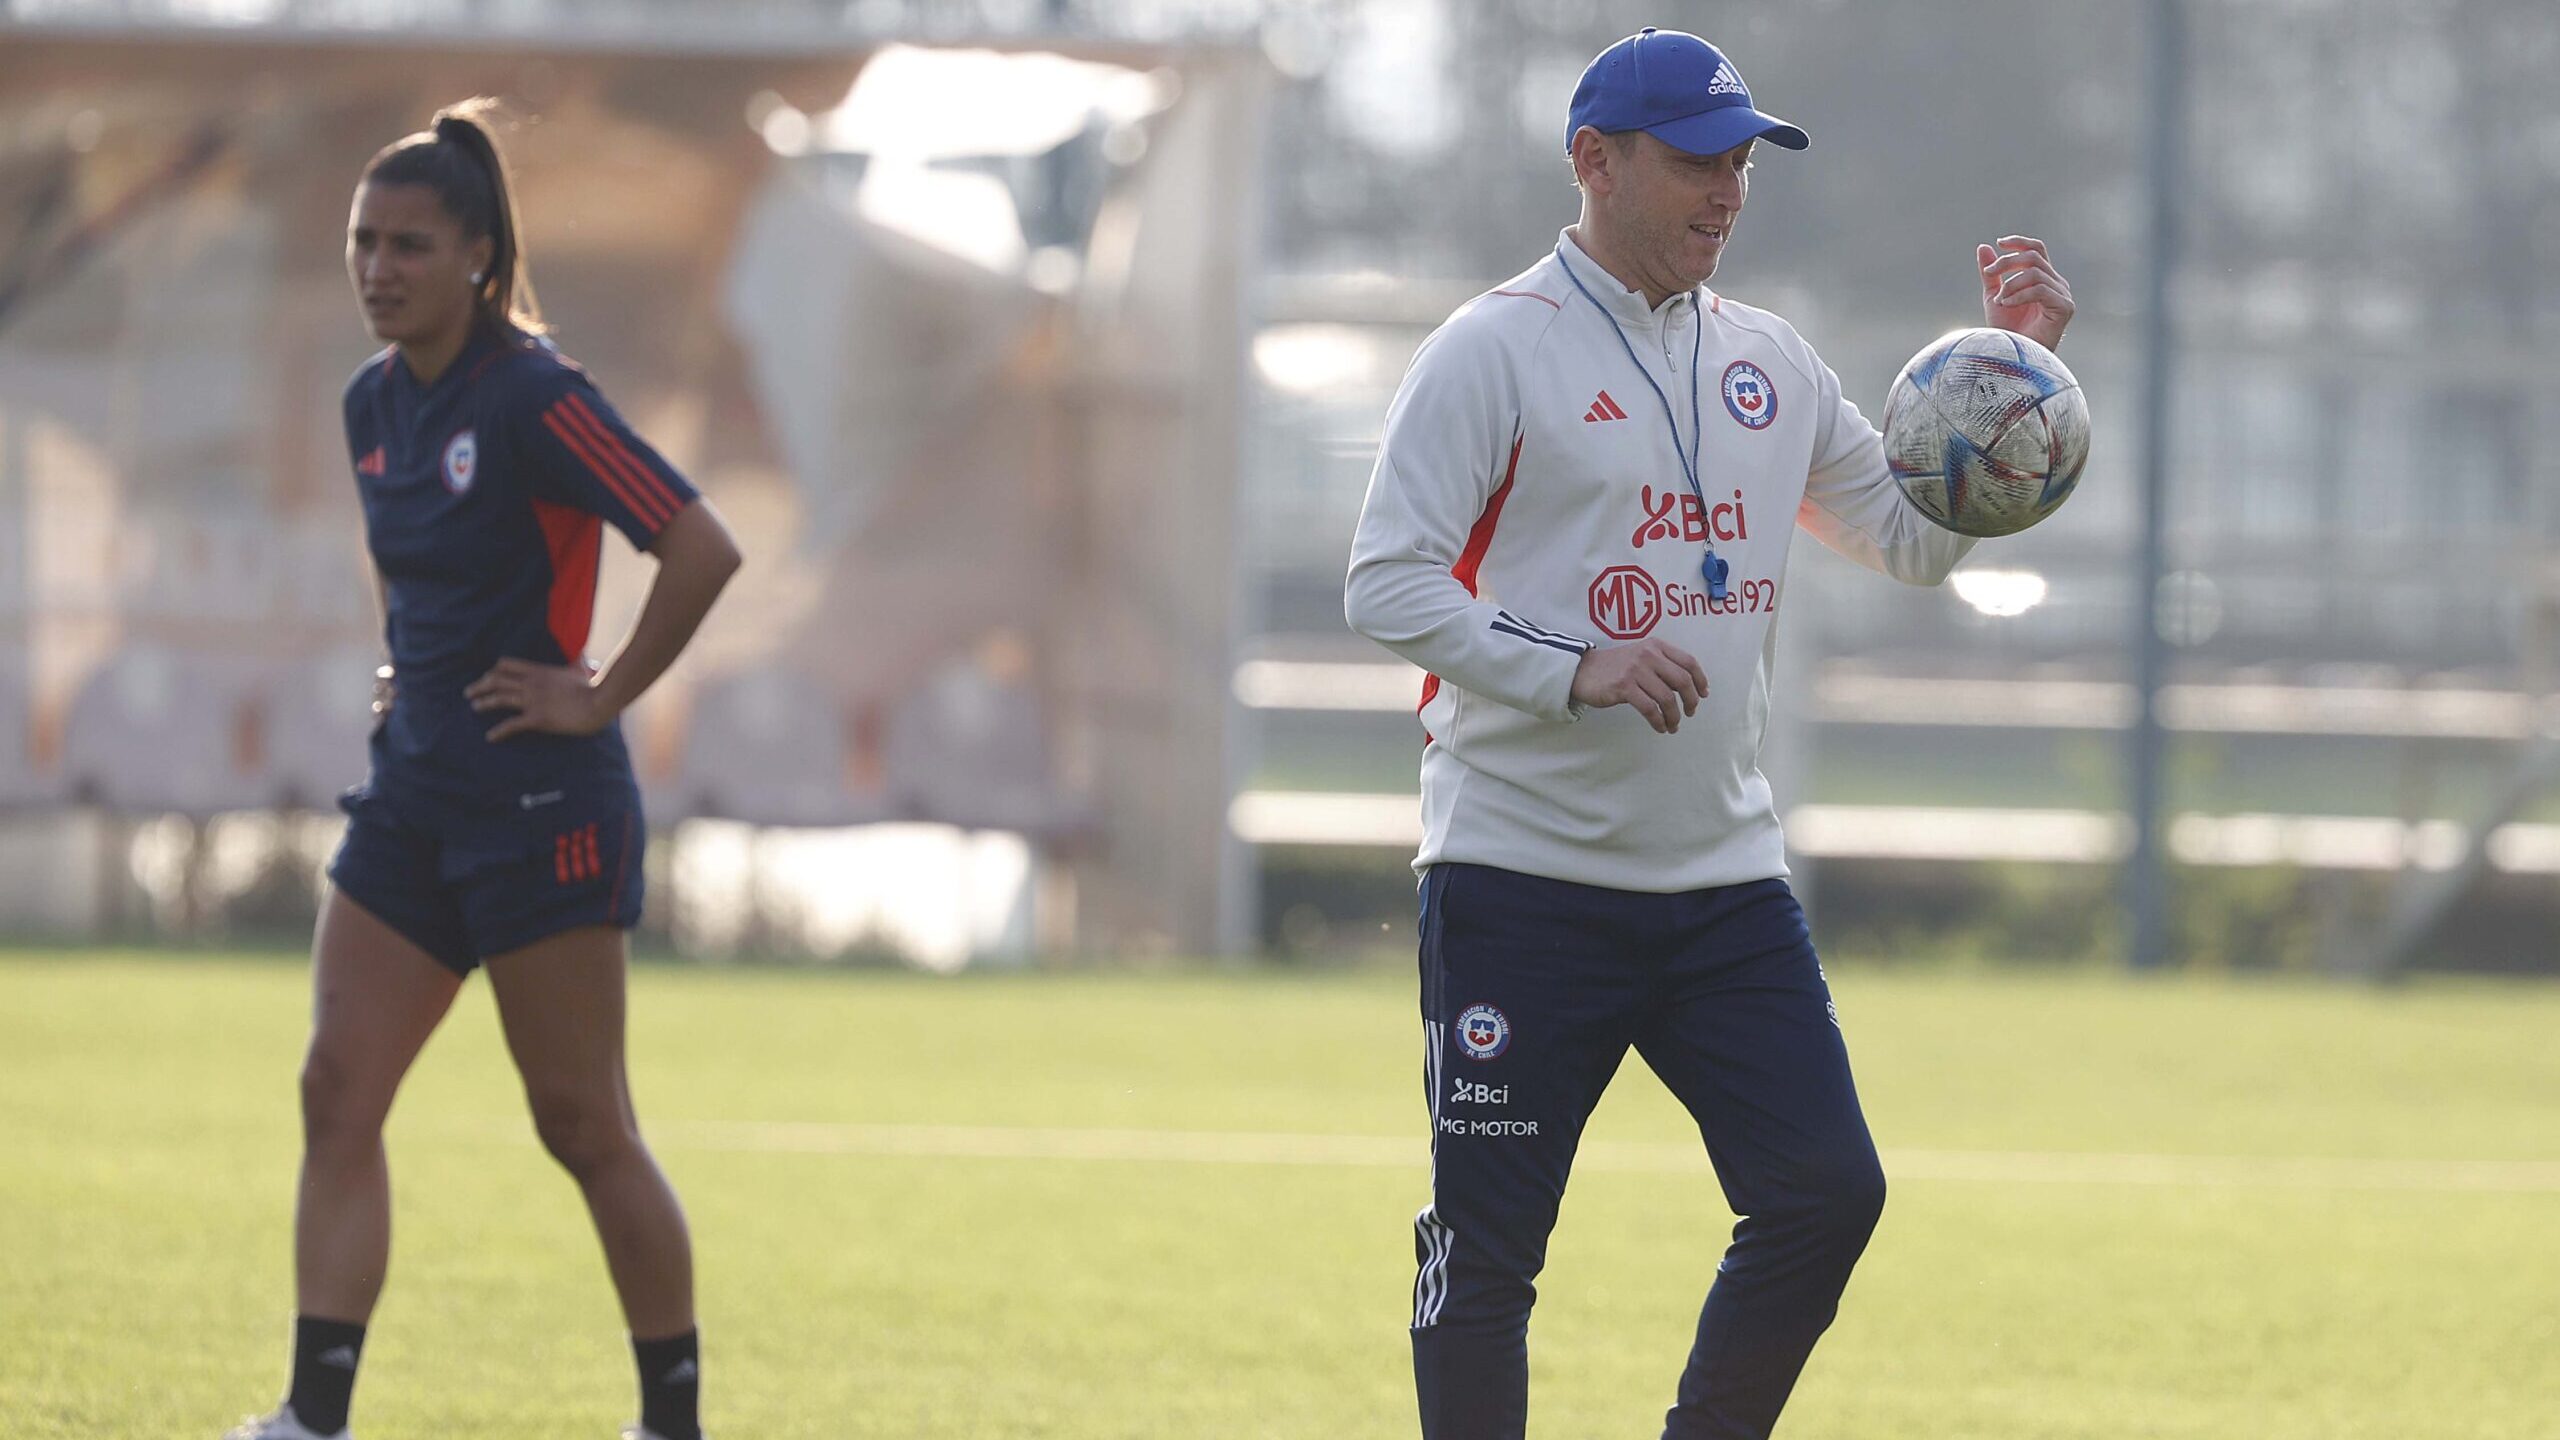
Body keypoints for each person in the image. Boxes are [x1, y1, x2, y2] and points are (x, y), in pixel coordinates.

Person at [1343, 29, 2074, 1440]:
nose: (1728, 188)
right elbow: (1387, 580)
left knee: (1825, 1195)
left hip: (1718, 890)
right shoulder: (1496, 347)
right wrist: (1574, 668)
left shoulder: (1773, 363)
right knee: (1489, 1253)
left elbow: (1914, 547)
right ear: (1594, 162)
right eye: (1696, 158)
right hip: (1518, 885)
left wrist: (2009, 387)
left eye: (1742, 159)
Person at [227, 100, 741, 1440]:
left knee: (581, 1124)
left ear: (477, 254)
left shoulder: (536, 396)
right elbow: (439, 587)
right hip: (413, 800)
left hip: (540, 807)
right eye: (361, 242)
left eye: (406, 243)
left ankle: (670, 1422)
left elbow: (699, 547)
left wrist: (598, 696)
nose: (376, 267)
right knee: (335, 1089)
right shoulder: (371, 405)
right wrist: (412, 672)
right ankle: (313, 1418)